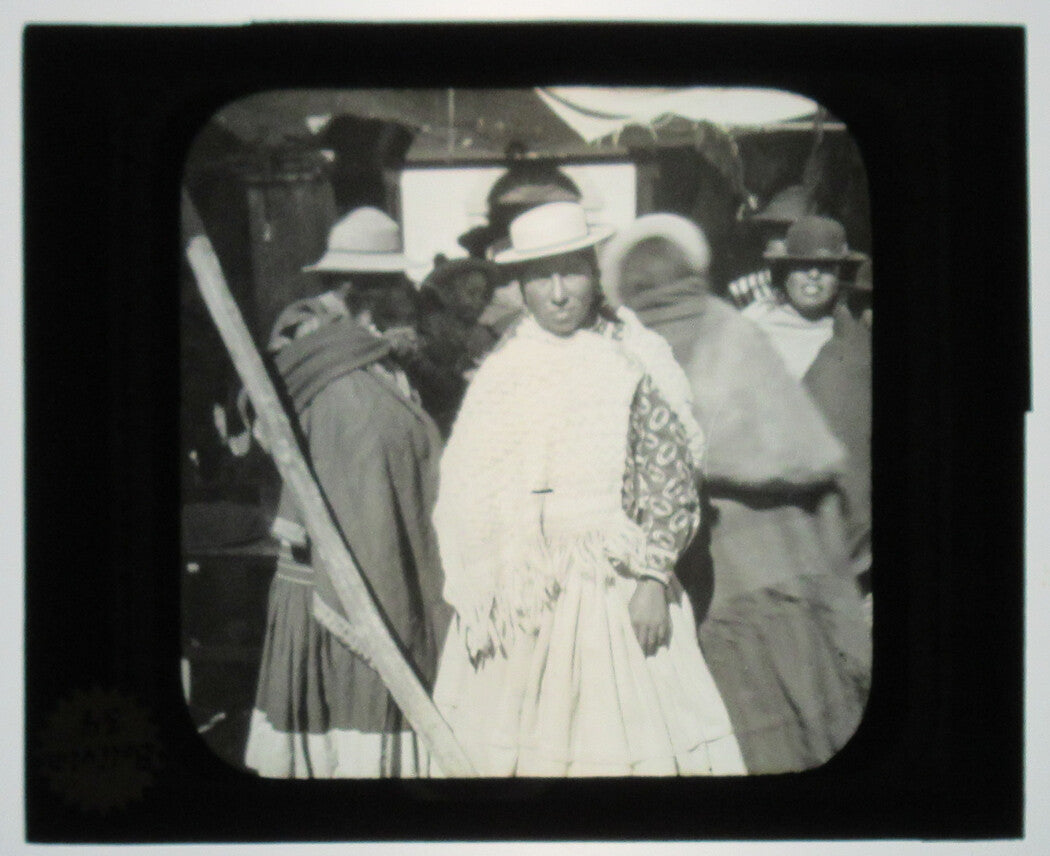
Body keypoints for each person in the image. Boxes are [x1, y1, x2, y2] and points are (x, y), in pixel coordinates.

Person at [430, 201, 744, 777]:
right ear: (520, 285)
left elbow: (668, 472)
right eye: (540, 277)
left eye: (571, 273)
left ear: (593, 274)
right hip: (521, 596)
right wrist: (483, 579)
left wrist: (652, 578)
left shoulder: (630, 357)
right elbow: (472, 480)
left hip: (610, 588)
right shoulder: (505, 365)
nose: (557, 294)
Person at [601, 212, 871, 774]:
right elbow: (808, 453)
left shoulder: (626, 346)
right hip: (779, 562)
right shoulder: (733, 329)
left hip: (687, 574)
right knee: (796, 718)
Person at [244, 207, 448, 778]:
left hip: (379, 536)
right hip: (326, 564)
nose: (401, 295)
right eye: (388, 284)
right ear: (356, 286)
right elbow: (284, 426)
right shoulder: (310, 337)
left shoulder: (376, 347)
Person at [742, 215, 868, 380]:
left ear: (840, 276)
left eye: (826, 266)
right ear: (785, 274)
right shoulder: (755, 331)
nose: (814, 274)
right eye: (803, 264)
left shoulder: (854, 332)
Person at [401, 254, 501, 436]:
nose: (479, 302)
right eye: (471, 293)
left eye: (483, 295)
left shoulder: (483, 334)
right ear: (448, 294)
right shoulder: (431, 333)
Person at [725, 184, 814, 309]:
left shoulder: (826, 296)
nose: (790, 243)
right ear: (765, 236)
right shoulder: (742, 294)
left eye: (802, 234)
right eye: (781, 233)